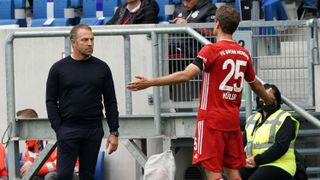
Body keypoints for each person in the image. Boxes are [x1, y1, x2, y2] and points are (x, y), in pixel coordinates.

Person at [128, 5, 275, 180]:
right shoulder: (243, 54)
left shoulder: (211, 50)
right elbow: (256, 85)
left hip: (211, 120)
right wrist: (269, 100)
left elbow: (185, 75)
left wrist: (150, 82)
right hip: (232, 120)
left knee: (213, 173)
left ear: (217, 24)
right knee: (233, 173)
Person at [46, 24, 120, 180]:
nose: (90, 43)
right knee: (63, 176)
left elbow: (110, 102)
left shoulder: (102, 68)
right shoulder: (58, 68)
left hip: (93, 130)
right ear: (73, 42)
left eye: (92, 39)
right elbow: (51, 101)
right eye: (85, 40)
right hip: (68, 129)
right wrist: (59, 128)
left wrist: (114, 132)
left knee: (88, 176)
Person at [240, 83, 300, 180]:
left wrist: (256, 160)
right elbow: (242, 145)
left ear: (277, 101)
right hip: (254, 163)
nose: (266, 102)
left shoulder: (285, 118)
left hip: (280, 164)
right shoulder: (252, 119)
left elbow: (281, 147)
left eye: (270, 99)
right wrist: (243, 160)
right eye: (263, 98)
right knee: (233, 176)